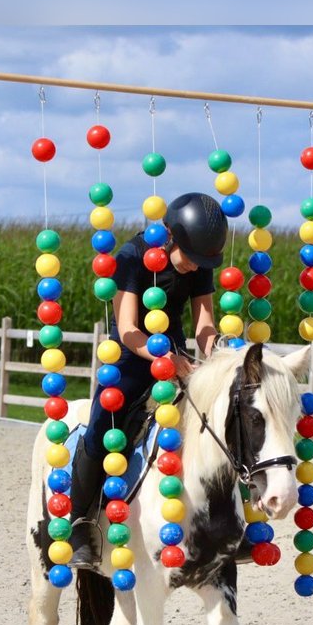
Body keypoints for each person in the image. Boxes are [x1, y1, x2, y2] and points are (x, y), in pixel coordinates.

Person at [68, 191, 229, 571]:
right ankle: (78, 523)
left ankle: (228, 520)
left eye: (203, 262)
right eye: (192, 259)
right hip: (132, 357)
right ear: (171, 237)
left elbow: (204, 324)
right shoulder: (131, 256)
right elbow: (127, 328)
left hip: (177, 357)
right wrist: (167, 360)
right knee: (101, 427)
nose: (196, 267)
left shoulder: (199, 262)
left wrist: (219, 352)